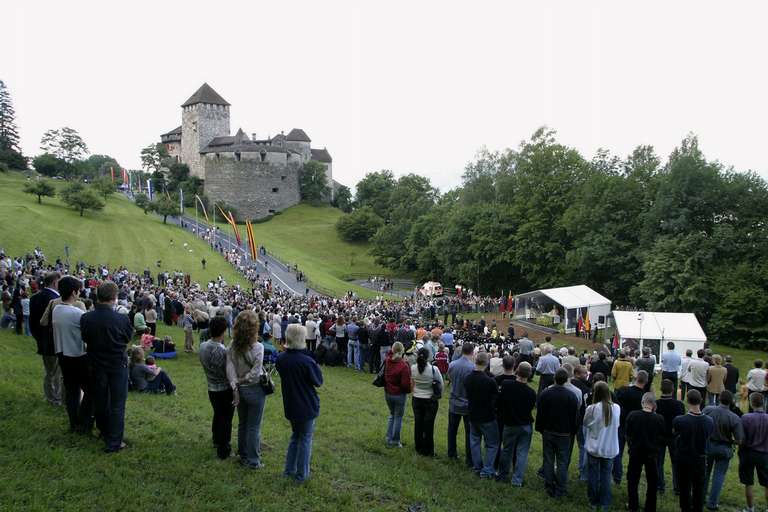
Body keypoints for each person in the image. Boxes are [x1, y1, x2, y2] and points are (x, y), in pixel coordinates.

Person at [80, 281, 134, 453]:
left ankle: (105, 432)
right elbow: (127, 338)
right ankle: (114, 441)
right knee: (117, 404)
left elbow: (86, 337)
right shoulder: (122, 318)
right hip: (117, 364)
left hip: (97, 364)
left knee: (101, 401)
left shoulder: (87, 317)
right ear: (114, 298)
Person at [276, 324, 324, 482]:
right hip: (306, 404)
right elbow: (318, 381)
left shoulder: (281, 359)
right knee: (304, 439)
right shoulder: (306, 361)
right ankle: (302, 474)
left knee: (296, 436)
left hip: (291, 404)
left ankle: (289, 470)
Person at [226, 310, 268, 469]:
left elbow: (229, 367)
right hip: (254, 389)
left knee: (243, 423)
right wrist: (238, 381)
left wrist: (234, 385)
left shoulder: (231, 345)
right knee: (253, 426)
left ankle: (243, 453)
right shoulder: (258, 347)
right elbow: (255, 374)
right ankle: (253, 460)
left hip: (239, 389)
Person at [51, 276, 90, 433]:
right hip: (77, 355)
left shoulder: (56, 309)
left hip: (62, 354)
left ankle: (74, 423)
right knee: (90, 390)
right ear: (74, 292)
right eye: (79, 290)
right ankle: (83, 422)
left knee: (72, 390)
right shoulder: (77, 313)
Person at [536, 368, 580, 498]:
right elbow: (575, 418)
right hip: (564, 433)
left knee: (548, 459)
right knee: (562, 461)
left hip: (549, 431)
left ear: (554, 378)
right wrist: (573, 431)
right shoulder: (571, 396)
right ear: (566, 380)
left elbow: (540, 413)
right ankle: (560, 488)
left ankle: (549, 485)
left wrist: (540, 428)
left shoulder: (546, 394)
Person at [199, 316, 235, 459]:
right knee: (226, 419)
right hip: (224, 389)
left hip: (211, 387)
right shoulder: (222, 350)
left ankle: (216, 439)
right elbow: (228, 371)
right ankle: (223, 449)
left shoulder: (203, 346)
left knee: (218, 414)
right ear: (224, 331)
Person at [673, 389, 715, 512]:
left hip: (684, 458)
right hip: (700, 458)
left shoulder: (680, 420)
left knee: (684, 487)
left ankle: (685, 508)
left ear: (687, 400)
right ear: (701, 401)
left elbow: (675, 435)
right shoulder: (709, 421)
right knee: (699, 488)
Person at [702, 390, 744, 510]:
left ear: (719, 399)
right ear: (731, 402)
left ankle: (700, 497)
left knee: (705, 472)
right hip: (724, 447)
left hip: (708, 445)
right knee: (719, 475)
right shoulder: (734, 418)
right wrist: (731, 441)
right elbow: (739, 440)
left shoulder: (708, 410)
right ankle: (712, 503)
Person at [497, 361, 537, 486]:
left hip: (510, 423)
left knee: (507, 450)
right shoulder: (531, 393)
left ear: (517, 370)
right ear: (529, 374)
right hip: (525, 424)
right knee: (522, 453)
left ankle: (503, 475)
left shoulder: (506, 385)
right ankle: (517, 480)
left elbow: (501, 401)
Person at [583, 381, 620, 512]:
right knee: (606, 475)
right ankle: (604, 502)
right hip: (609, 447)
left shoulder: (592, 409)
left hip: (595, 446)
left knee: (593, 474)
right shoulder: (616, 408)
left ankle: (593, 501)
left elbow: (586, 423)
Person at [625, 392, 666, 512]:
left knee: (632, 479)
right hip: (651, 454)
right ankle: (650, 506)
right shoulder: (659, 419)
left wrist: (631, 445)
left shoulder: (633, 415)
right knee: (652, 481)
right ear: (654, 404)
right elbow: (661, 436)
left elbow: (628, 434)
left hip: (636, 452)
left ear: (642, 402)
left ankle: (633, 505)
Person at [29, 271, 62, 406]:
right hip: (55, 341)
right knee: (55, 372)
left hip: (43, 341)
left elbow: (32, 323)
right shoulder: (56, 300)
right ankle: (55, 398)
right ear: (55, 283)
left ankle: (51, 397)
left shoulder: (35, 297)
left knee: (50, 372)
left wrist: (39, 339)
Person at [464, 352, 499, 478]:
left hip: (473, 414)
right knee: (492, 444)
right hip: (487, 417)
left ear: (475, 361)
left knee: (475, 441)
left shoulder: (468, 378)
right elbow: (496, 399)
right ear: (486, 363)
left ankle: (477, 466)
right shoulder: (490, 381)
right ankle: (487, 470)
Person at [613, 370, 647, 485]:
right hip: (637, 427)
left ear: (635, 378)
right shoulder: (644, 397)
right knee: (634, 454)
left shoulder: (623, 390)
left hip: (622, 423)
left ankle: (617, 475)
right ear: (646, 381)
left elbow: (616, 405)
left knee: (618, 451)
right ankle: (630, 477)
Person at [410, 347, 442, 457]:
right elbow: (440, 384)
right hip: (430, 400)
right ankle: (428, 449)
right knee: (429, 425)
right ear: (428, 357)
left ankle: (418, 447)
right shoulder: (434, 370)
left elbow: (412, 382)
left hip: (417, 398)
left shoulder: (413, 368)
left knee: (418, 424)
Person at [655, 378, 685, 496]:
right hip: (674, 436)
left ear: (661, 389)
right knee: (676, 462)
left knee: (659, 462)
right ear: (672, 390)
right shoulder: (679, 405)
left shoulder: (656, 404)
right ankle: (677, 487)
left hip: (660, 436)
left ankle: (660, 485)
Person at [447, 343, 475, 466]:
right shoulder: (472, 368)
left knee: (452, 430)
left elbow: (450, 378)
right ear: (472, 352)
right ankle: (469, 458)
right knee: (469, 432)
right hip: (467, 403)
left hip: (454, 401)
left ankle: (451, 452)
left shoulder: (453, 365)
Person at [739, 392, 768, 512]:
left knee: (748, 483)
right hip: (765, 454)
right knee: (767, 483)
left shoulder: (745, 418)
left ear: (751, 403)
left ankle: (750, 508)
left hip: (748, 453)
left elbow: (741, 437)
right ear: (763, 403)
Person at [383, 341, 411, 448]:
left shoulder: (388, 361)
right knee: (398, 417)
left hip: (388, 392)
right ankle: (394, 440)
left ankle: (389, 437)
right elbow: (405, 384)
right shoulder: (403, 365)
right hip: (398, 394)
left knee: (392, 415)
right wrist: (408, 390)